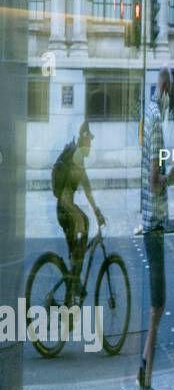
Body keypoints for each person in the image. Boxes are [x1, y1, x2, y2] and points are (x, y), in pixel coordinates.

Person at [139, 67, 174, 390]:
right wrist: (172, 174)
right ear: (165, 89)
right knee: (158, 305)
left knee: (158, 305)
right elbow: (154, 180)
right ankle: (146, 385)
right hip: (154, 223)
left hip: (150, 221)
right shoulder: (155, 119)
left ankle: (144, 372)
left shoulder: (149, 114)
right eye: (171, 91)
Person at [52, 122, 106, 290]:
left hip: (61, 209)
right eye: (89, 141)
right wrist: (96, 212)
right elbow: (87, 188)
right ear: (84, 141)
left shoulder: (74, 155)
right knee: (86, 224)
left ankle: (71, 290)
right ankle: (75, 282)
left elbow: (85, 186)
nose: (91, 146)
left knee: (74, 255)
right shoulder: (77, 157)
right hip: (66, 209)